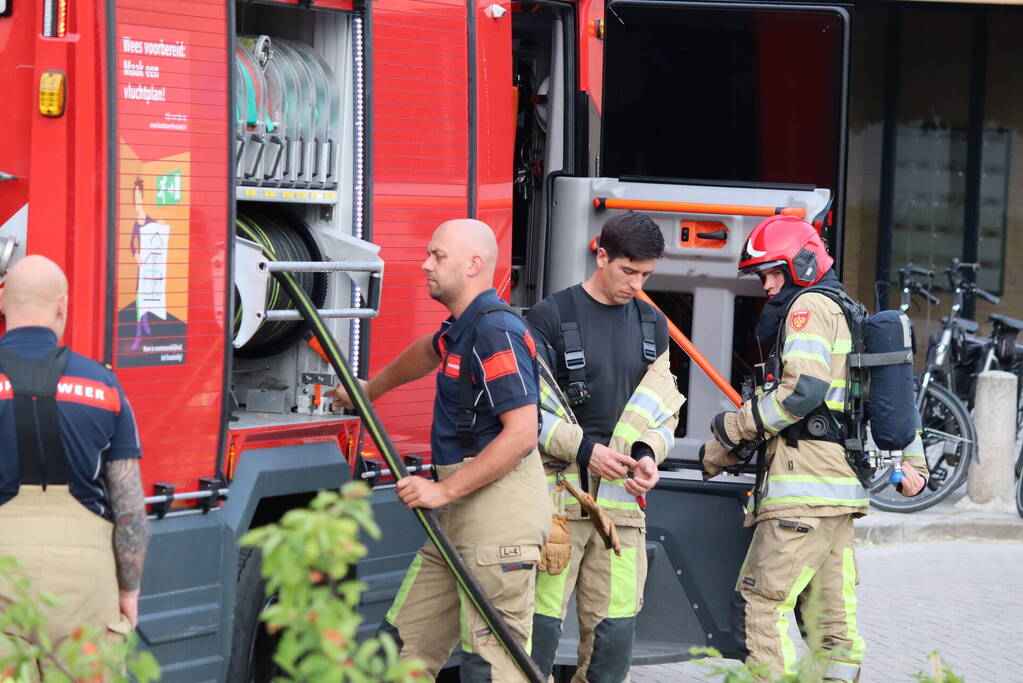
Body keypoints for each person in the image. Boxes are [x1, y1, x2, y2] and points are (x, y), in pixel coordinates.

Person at [701, 215, 928, 681]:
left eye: (772, 273)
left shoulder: (807, 307)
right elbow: (887, 397)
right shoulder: (850, 310)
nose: (766, 286)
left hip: (800, 496)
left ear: (801, 263)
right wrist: (913, 461)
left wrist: (733, 428)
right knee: (834, 630)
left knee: (759, 606)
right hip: (840, 497)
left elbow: (800, 392)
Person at [328, 219, 549, 681]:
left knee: (490, 670)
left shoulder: (495, 333)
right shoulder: (463, 329)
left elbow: (522, 433)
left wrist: (441, 493)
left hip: (496, 526)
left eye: (437, 256)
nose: (425, 264)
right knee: (397, 658)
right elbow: (428, 352)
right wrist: (371, 389)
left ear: (473, 265)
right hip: (459, 519)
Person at [524, 212, 685, 682]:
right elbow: (525, 413)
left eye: (647, 275)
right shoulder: (550, 317)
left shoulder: (654, 325)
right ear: (601, 255)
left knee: (614, 641)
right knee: (538, 634)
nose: (636, 284)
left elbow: (664, 410)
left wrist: (650, 454)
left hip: (622, 512)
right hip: (558, 506)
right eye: (628, 271)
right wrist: (585, 451)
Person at [0, 255, 148, 661]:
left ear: (2, 301)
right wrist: (128, 591)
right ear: (63, 305)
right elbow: (130, 508)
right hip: (85, 583)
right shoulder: (103, 386)